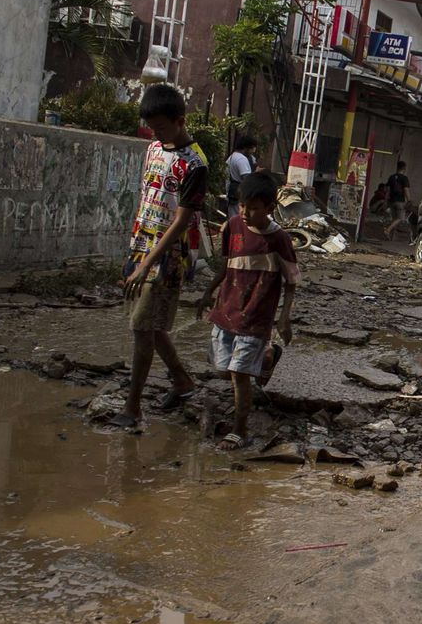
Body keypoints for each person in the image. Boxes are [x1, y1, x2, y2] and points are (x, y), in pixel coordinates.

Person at [111, 83, 207, 429]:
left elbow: (182, 221)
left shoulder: (195, 164)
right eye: (152, 127)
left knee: (140, 327)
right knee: (150, 325)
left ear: (180, 120)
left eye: (162, 127)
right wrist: (135, 254)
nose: (156, 132)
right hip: (141, 248)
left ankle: (133, 407)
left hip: (168, 258)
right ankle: (182, 381)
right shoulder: (153, 148)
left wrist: (147, 264)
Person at [197, 172, 299, 450]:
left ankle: (240, 431)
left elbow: (291, 282)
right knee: (222, 371)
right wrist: (208, 292)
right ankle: (267, 358)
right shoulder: (231, 226)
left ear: (269, 207)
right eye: (242, 205)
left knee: (239, 375)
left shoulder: (279, 239)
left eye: (252, 207)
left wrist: (284, 318)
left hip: (256, 317)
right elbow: (227, 265)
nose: (245, 212)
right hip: (226, 311)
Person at [225, 135, 257, 218]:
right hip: (239, 194)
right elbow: (247, 179)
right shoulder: (242, 159)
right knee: (238, 219)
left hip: (231, 192)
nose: (252, 151)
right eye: (252, 148)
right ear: (246, 147)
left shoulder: (232, 156)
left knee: (232, 217)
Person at [384, 160, 412, 240]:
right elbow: (406, 190)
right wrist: (409, 200)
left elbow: (388, 190)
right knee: (400, 218)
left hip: (391, 201)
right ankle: (388, 230)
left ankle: (391, 237)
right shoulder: (404, 178)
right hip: (400, 201)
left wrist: (385, 201)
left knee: (394, 219)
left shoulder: (391, 177)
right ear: (404, 168)